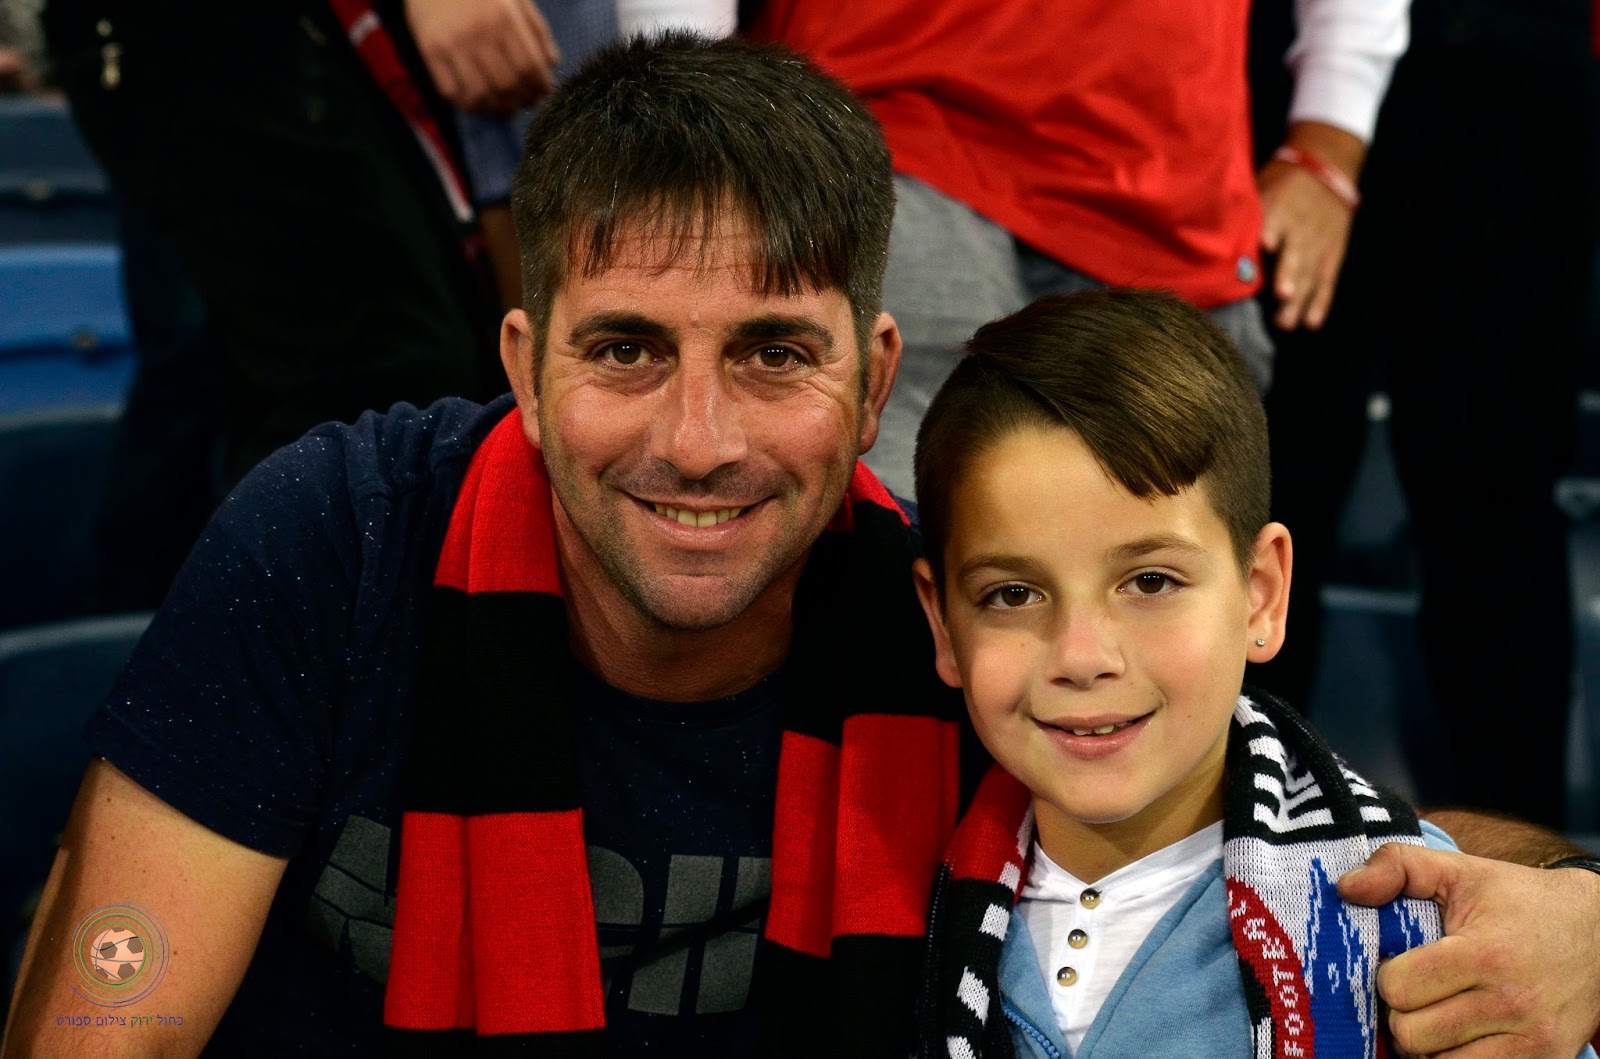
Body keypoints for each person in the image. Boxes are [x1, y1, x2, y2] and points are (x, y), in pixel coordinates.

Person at [3, 32, 1598, 1059]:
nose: (698, 436)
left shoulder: (968, 636)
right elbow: (103, 1018)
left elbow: (1272, 808)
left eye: (773, 351)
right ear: (522, 369)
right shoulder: (338, 538)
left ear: (876, 382)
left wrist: (1582, 914)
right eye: (626, 348)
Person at [908, 288, 1599, 1058]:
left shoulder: (1429, 919)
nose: (1082, 656)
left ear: (1261, 594)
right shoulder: (893, 911)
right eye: (1013, 594)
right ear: (943, 623)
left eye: (1150, 581)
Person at [748, 0, 1405, 497]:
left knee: (1157, 582)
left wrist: (1332, 137)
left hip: (1165, 182)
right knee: (883, 562)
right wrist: (702, 130)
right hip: (884, 121)